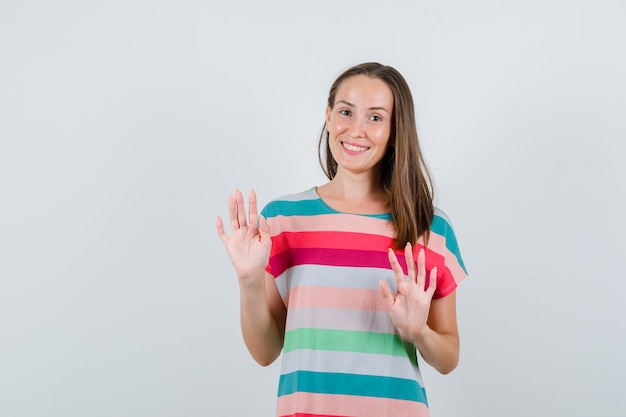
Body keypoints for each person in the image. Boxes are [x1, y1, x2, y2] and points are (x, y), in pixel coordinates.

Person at [216, 62, 468, 417]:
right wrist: (248, 281)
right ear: (329, 116)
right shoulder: (282, 220)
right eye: (346, 112)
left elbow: (448, 358)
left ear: (396, 131)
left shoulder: (429, 227)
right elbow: (265, 352)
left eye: (376, 117)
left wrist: (418, 333)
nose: (356, 130)